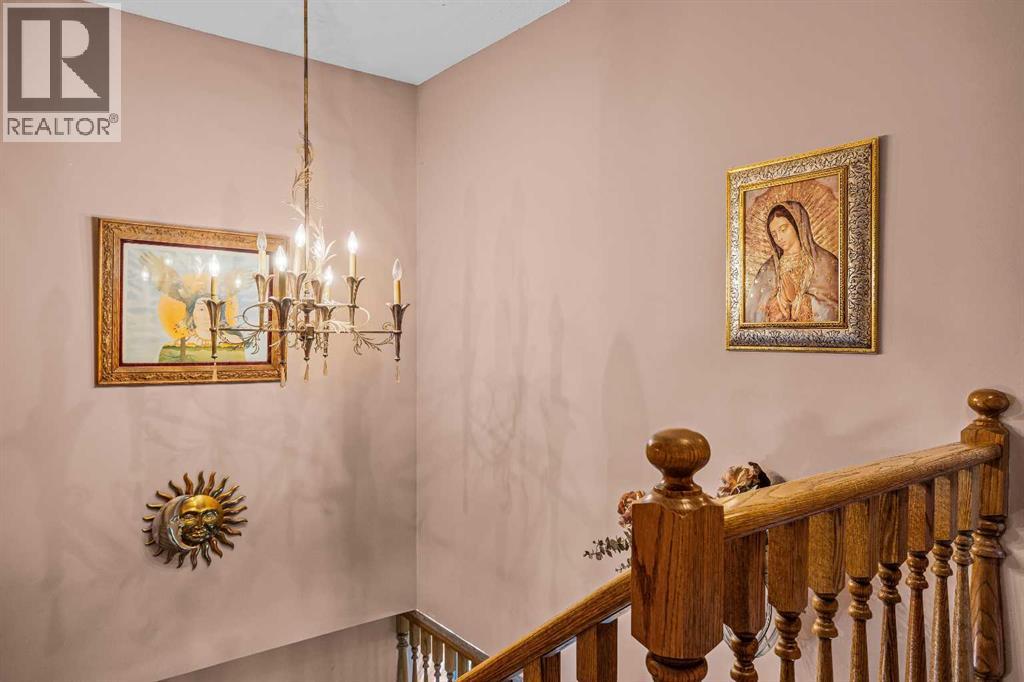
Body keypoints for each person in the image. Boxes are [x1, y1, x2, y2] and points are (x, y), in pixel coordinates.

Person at [746, 201, 839, 323]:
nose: (779, 238)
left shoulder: (826, 263)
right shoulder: (768, 269)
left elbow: (835, 311)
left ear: (797, 225)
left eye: (783, 229)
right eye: (774, 234)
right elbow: (753, 314)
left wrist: (797, 299)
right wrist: (779, 301)